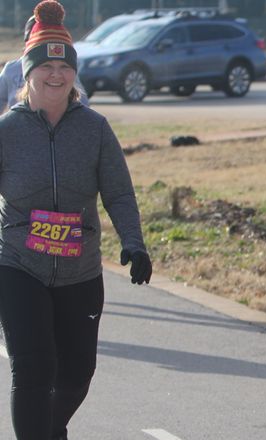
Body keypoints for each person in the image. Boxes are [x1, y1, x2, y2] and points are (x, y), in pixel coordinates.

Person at [0, 2, 152, 439]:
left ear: (74, 74)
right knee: (32, 365)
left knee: (77, 372)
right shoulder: (8, 132)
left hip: (80, 269)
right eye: (44, 66)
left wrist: (134, 243)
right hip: (19, 265)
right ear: (27, 73)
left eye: (63, 67)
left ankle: (49, 429)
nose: (55, 75)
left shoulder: (96, 129)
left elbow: (118, 192)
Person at [1, 13, 88, 114]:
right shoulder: (11, 69)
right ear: (28, 41)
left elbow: (83, 103)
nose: (56, 73)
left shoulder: (65, 70)